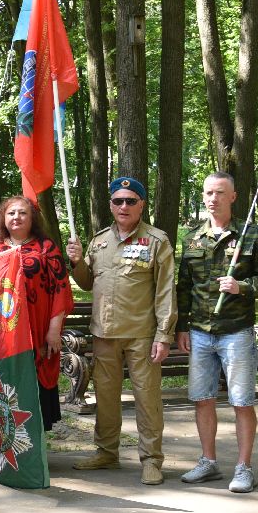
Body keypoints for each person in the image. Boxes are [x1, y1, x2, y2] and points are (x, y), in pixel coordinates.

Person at [66, 176, 176, 485]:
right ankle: (106, 452)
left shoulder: (157, 241)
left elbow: (166, 291)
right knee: (106, 396)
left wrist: (163, 335)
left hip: (142, 334)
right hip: (104, 333)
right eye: (118, 201)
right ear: (111, 205)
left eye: (130, 201)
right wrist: (76, 262)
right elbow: (87, 283)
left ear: (142, 205)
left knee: (147, 398)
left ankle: (152, 459)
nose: (123, 206)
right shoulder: (99, 241)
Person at [176, 172, 258, 494]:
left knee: (242, 401)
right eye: (208, 193)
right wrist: (181, 327)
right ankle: (208, 461)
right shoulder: (192, 238)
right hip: (201, 332)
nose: (213, 198)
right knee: (202, 399)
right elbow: (184, 287)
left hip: (236, 331)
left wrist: (241, 286)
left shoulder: (252, 235)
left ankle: (244, 468)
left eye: (220, 192)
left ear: (233, 196)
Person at [0, 195, 74, 430]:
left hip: (39, 331)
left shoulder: (46, 248)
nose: (16, 217)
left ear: (32, 218)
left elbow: (61, 290)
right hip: (7, 333)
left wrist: (54, 330)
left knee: (35, 388)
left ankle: (36, 450)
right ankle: (11, 442)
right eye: (11, 213)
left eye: (22, 212)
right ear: (3, 219)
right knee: (9, 385)